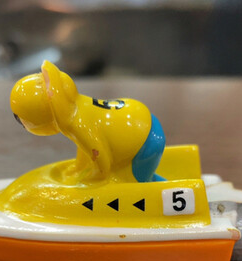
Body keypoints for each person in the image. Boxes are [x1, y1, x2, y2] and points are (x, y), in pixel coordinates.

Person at [10, 61, 165, 184]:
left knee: (138, 180)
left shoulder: (75, 124)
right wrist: (80, 167)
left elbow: (99, 155)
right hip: (138, 119)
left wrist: (97, 177)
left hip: (147, 141)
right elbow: (86, 146)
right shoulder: (77, 110)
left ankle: (154, 188)